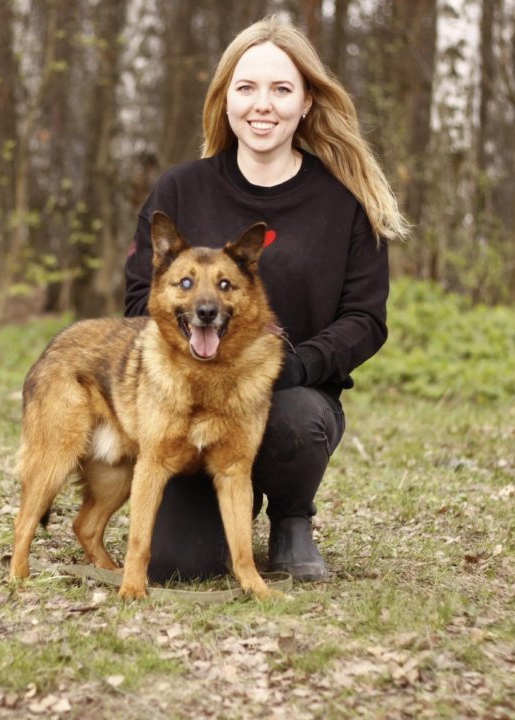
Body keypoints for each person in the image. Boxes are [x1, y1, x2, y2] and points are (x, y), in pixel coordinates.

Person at [124, 16, 408, 583]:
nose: (263, 105)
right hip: (185, 400)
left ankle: (291, 518)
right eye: (247, 87)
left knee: (295, 417)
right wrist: (187, 370)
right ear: (225, 97)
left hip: (291, 398)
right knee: (179, 566)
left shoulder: (344, 201)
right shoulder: (180, 188)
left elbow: (365, 319)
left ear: (305, 103)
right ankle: (227, 504)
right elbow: (139, 297)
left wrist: (297, 364)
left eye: (281, 89)